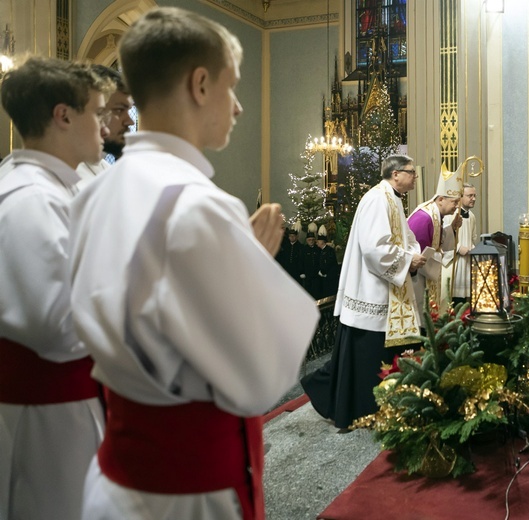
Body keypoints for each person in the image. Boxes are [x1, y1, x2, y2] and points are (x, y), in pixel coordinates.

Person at [68, 7, 319, 520]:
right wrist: (252, 263)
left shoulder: (95, 190)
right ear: (200, 84)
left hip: (115, 475)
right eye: (232, 87)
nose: (239, 107)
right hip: (183, 492)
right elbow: (261, 379)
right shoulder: (200, 206)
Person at [0, 56, 113, 520]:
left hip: (67, 401)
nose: (104, 126)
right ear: (63, 115)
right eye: (97, 112)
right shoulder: (31, 201)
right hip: (48, 413)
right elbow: (59, 326)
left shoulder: (56, 189)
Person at [301, 154, 426, 429]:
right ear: (396, 174)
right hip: (372, 291)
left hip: (386, 289)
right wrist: (407, 261)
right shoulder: (376, 199)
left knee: (368, 358)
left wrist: (413, 255)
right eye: (412, 173)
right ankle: (350, 407)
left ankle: (370, 407)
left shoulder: (393, 199)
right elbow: (374, 248)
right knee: (363, 357)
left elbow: (408, 238)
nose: (415, 177)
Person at [408, 164, 463, 323]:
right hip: (417, 281)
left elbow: (437, 243)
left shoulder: (435, 216)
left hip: (424, 279)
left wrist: (452, 229)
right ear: (440, 199)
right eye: (454, 202)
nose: (456, 207)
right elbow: (419, 256)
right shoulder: (423, 219)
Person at [76, 64, 134, 188]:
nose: (130, 121)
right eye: (119, 110)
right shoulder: (70, 177)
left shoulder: (105, 168)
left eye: (129, 110)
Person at [442, 183, 478, 305]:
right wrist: (457, 248)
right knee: (453, 299)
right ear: (460, 197)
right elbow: (442, 238)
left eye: (474, 196)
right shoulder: (450, 215)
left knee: (466, 300)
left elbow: (473, 238)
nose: (473, 198)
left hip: (467, 262)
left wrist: (472, 248)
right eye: (470, 196)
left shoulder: (472, 216)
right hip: (454, 263)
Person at [316, 226, 340, 299]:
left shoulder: (329, 250)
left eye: (318, 241)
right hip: (326, 276)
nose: (317, 243)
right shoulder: (323, 250)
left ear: (321, 242)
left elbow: (329, 263)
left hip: (330, 276)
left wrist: (323, 272)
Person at [301, 231, 321, 298]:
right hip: (307, 275)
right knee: (308, 293)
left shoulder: (318, 249)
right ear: (307, 240)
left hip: (317, 275)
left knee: (317, 292)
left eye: (312, 240)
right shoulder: (303, 249)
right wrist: (302, 272)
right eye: (309, 240)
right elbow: (301, 262)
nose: (311, 241)